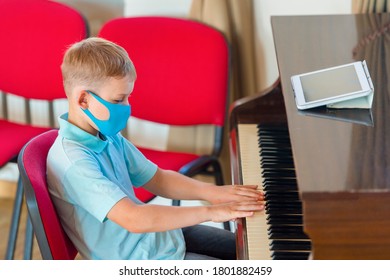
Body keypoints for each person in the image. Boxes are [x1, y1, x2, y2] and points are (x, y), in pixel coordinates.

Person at [47, 37, 264, 260]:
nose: (127, 107)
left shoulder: (107, 136)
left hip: (161, 238)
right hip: (140, 260)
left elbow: (158, 179)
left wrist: (216, 194)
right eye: (119, 99)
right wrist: (212, 212)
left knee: (255, 252)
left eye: (128, 97)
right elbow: (134, 218)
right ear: (83, 99)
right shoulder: (74, 163)